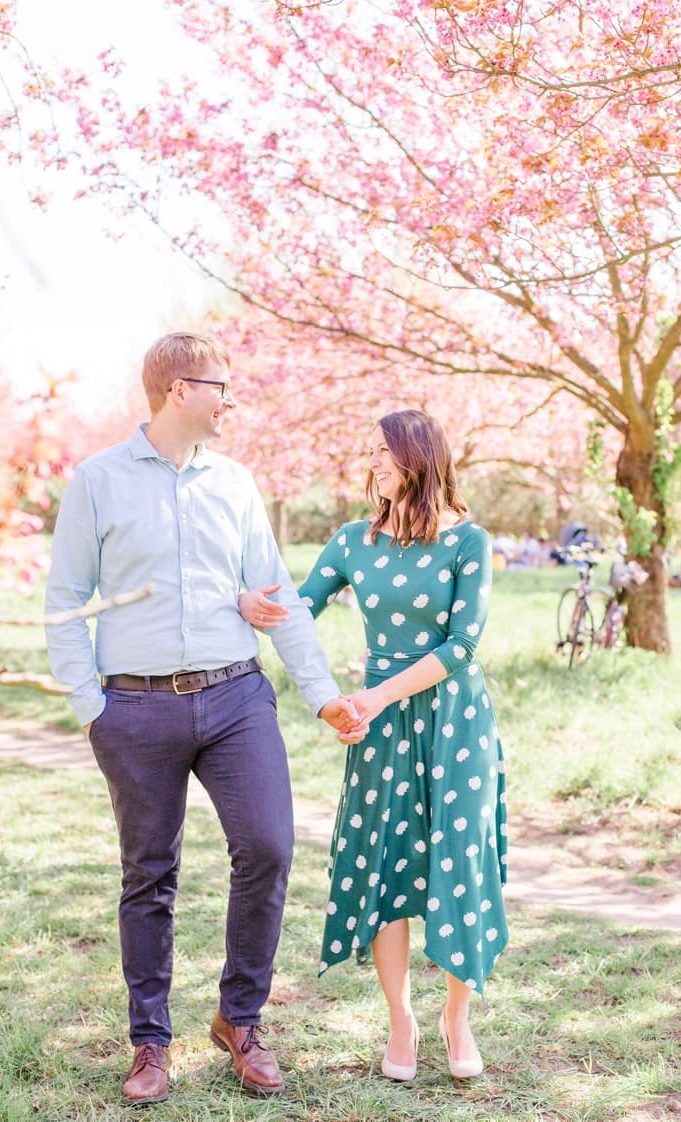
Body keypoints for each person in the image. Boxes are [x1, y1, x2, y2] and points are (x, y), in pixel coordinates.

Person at [44, 332, 367, 1104]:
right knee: (148, 875)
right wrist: (93, 709)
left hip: (235, 698)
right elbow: (63, 604)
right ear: (177, 389)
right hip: (134, 708)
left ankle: (239, 1019)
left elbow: (275, 594)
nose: (230, 399)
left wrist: (320, 691)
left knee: (268, 847)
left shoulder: (235, 483)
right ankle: (150, 1043)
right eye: (220, 386)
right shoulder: (97, 481)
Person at [241, 409, 508, 1083]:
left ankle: (456, 1018)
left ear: (418, 459)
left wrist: (379, 695)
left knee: (456, 861)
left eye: (383, 454)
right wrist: (253, 605)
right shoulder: (353, 540)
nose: (374, 465)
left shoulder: (468, 541)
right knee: (387, 865)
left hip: (453, 719)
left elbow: (463, 645)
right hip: (381, 726)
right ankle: (401, 1020)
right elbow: (300, 608)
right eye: (371, 454)